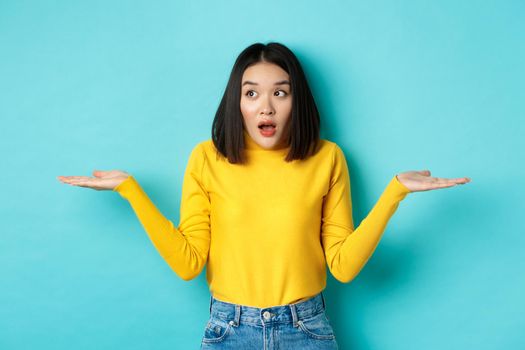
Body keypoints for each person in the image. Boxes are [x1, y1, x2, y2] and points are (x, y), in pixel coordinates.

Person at [57, 42, 471, 349]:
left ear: (296, 101)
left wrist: (394, 193)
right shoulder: (206, 159)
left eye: (280, 92)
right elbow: (187, 263)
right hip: (228, 330)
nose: (266, 107)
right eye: (251, 93)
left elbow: (342, 267)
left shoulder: (327, 158)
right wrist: (131, 190)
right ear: (237, 102)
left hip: (306, 329)